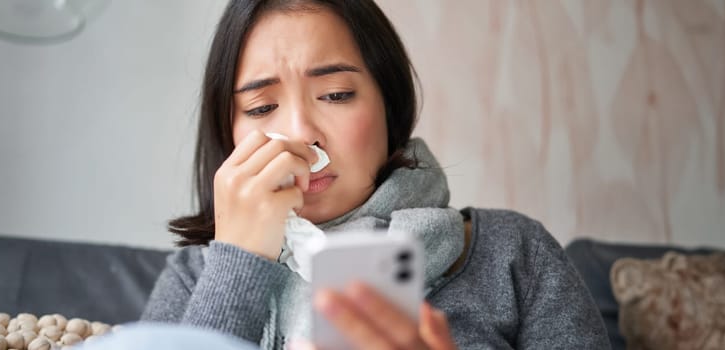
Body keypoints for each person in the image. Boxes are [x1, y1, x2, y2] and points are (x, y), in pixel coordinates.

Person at [139, 0, 611, 349]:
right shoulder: (192, 278)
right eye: (262, 107)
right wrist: (238, 258)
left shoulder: (513, 252)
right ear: (228, 134)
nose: (303, 134)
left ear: (389, 104)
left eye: (337, 94)